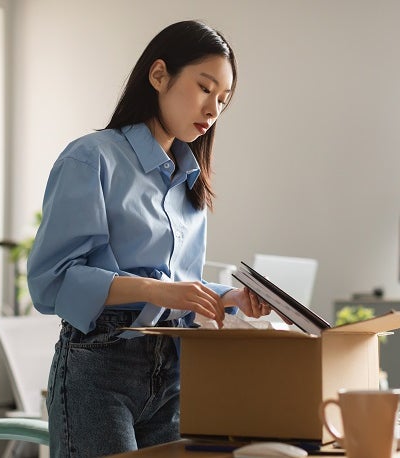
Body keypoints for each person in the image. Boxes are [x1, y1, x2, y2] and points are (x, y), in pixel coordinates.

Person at [27, 20, 270, 457]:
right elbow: (52, 282)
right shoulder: (91, 158)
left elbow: (177, 287)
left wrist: (230, 296)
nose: (213, 109)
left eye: (223, 99)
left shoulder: (191, 183)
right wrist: (160, 290)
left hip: (171, 371)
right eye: (204, 87)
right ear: (159, 75)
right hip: (100, 370)